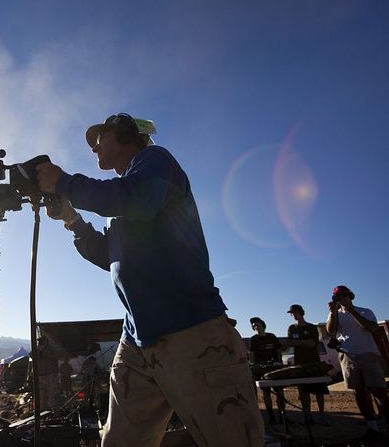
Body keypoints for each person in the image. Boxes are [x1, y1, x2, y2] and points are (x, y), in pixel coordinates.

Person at [36, 113, 263, 447]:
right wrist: (72, 219)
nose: (95, 147)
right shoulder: (126, 201)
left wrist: (65, 183)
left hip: (193, 333)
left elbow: (134, 200)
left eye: (102, 137)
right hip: (136, 341)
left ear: (128, 134)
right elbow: (108, 256)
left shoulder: (154, 162)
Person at [326, 285, 389, 442]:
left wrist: (351, 310)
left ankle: (386, 423)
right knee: (359, 392)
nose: (341, 299)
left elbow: (372, 328)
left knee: (379, 391)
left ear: (350, 296)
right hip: (348, 356)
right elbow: (330, 331)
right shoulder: (336, 314)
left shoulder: (364, 311)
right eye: (338, 297)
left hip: (368, 354)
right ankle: (372, 427)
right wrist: (334, 313)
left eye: (343, 295)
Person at [285, 304, 329, 426]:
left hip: (314, 362)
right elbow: (290, 343)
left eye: (295, 312)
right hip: (300, 363)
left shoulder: (311, 328)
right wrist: (303, 342)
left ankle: (322, 415)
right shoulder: (292, 328)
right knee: (303, 391)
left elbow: (312, 344)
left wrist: (298, 342)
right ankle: (307, 415)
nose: (294, 315)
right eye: (292, 313)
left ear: (301, 312)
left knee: (318, 390)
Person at [248, 317, 286, 425]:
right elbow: (252, 354)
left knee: (279, 391)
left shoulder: (271, 336)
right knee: (266, 392)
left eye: (258, 324)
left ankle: (282, 415)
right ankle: (271, 416)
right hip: (262, 369)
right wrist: (254, 366)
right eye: (254, 325)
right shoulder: (254, 339)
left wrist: (279, 362)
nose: (256, 326)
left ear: (262, 325)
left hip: (275, 367)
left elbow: (278, 350)